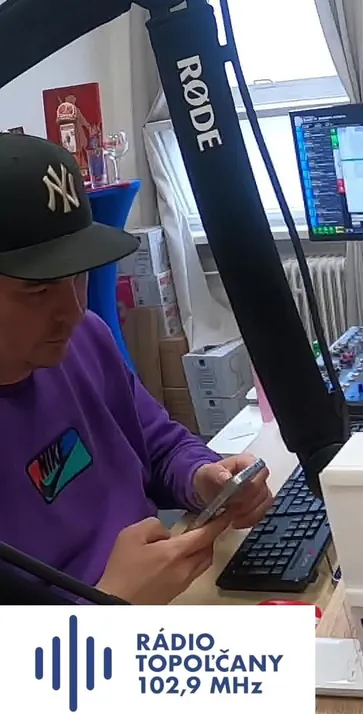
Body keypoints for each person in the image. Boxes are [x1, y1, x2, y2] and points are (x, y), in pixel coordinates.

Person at [0, 134, 273, 604]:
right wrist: (110, 604)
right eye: (39, 291)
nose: (73, 310)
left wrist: (203, 478)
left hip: (169, 598)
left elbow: (160, 447)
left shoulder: (85, 340)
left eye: (78, 277)